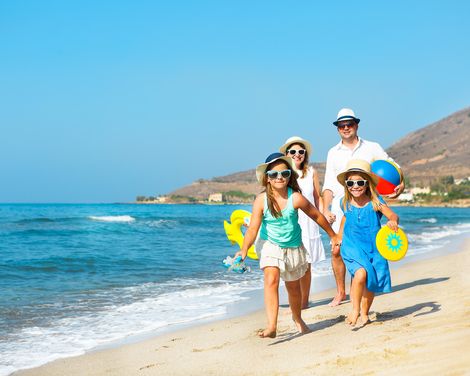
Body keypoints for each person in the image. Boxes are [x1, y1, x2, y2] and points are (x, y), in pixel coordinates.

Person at [235, 152, 341, 338]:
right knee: (271, 279)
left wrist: (332, 235)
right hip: (270, 244)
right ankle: (271, 326)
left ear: (289, 176)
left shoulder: (296, 198)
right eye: (274, 174)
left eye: (284, 173)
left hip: (293, 247)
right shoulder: (261, 200)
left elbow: (316, 216)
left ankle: (297, 318)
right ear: (267, 178)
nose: (279, 178)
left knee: (293, 288)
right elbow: (253, 229)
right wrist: (244, 250)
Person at [322, 108, 405, 306]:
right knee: (336, 250)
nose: (346, 128)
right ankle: (341, 291)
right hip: (342, 206)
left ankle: (357, 289)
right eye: (341, 125)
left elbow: (393, 167)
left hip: (367, 205)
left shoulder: (372, 147)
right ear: (337, 129)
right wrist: (326, 209)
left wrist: (402, 184)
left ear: (356, 125)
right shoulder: (333, 153)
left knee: (362, 251)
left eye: (349, 124)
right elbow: (328, 185)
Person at [336, 159, 399, 326]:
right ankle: (355, 309)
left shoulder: (375, 202)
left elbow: (393, 215)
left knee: (371, 281)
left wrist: (392, 221)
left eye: (360, 182)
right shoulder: (343, 202)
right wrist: (338, 236)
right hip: (352, 246)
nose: (355, 186)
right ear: (346, 185)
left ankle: (364, 313)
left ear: (367, 183)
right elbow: (345, 219)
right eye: (351, 182)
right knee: (361, 274)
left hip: (374, 246)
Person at [279, 136, 326, 309]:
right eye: (293, 151)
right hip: (290, 221)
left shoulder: (311, 172)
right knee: (291, 262)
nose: (297, 154)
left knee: (306, 265)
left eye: (301, 151)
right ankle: (294, 298)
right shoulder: (283, 172)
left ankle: (304, 301)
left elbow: (316, 196)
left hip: (309, 221)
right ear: (286, 154)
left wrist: (324, 214)